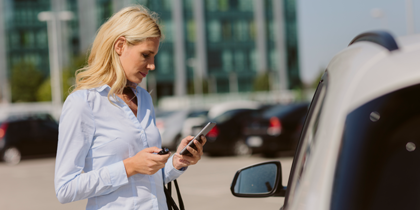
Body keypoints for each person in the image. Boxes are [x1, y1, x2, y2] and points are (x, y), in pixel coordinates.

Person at [54, 5, 206, 210]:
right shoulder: (83, 103)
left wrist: (177, 162)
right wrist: (129, 167)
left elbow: (148, 181)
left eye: (154, 56)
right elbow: (65, 188)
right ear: (120, 46)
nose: (152, 65)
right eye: (145, 55)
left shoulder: (144, 99)